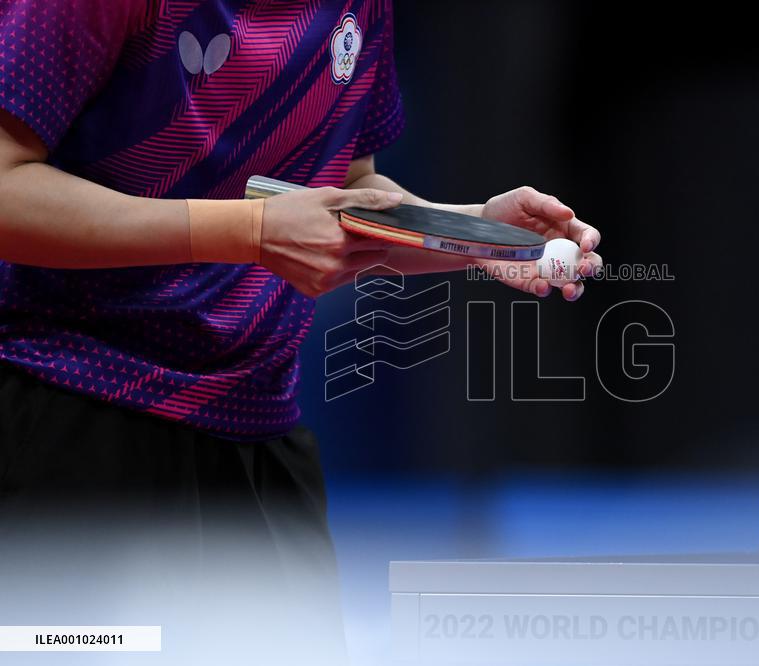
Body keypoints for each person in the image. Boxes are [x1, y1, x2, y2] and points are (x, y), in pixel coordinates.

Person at [0, 1, 602, 660]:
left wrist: (475, 232)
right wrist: (252, 233)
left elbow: (347, 189)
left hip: (259, 437)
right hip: (66, 407)